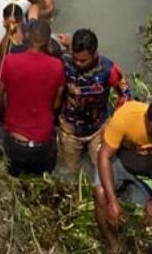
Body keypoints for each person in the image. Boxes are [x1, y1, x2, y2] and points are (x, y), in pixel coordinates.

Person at [94, 100, 152, 254]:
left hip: (146, 173)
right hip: (118, 162)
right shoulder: (126, 116)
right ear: (146, 121)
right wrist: (112, 201)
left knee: (139, 213)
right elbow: (104, 155)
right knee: (101, 193)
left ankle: (131, 244)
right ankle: (112, 243)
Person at [53, 29, 132, 182]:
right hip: (69, 130)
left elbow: (126, 93)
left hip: (98, 129)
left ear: (95, 53)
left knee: (102, 172)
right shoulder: (64, 62)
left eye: (83, 60)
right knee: (69, 174)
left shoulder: (110, 70)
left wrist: (114, 121)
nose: (78, 63)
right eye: (75, 59)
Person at [0, 20, 65, 176]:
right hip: (43, 147)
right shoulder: (58, 66)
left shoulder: (10, 61)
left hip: (15, 144)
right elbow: (56, 104)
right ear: (48, 42)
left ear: (27, 36)